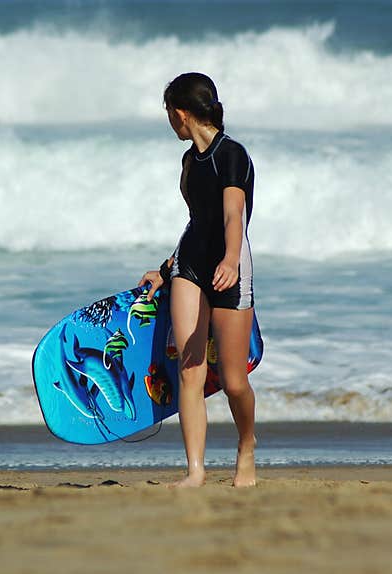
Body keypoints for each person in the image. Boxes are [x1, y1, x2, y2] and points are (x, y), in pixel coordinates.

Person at [138, 72, 257, 488]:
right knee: (189, 369)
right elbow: (197, 222)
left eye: (170, 113)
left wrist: (229, 260)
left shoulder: (232, 156)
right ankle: (195, 471)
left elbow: (231, 216)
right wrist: (167, 267)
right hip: (190, 265)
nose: (170, 121)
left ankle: (246, 446)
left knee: (232, 380)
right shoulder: (189, 161)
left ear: (182, 113)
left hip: (229, 266)